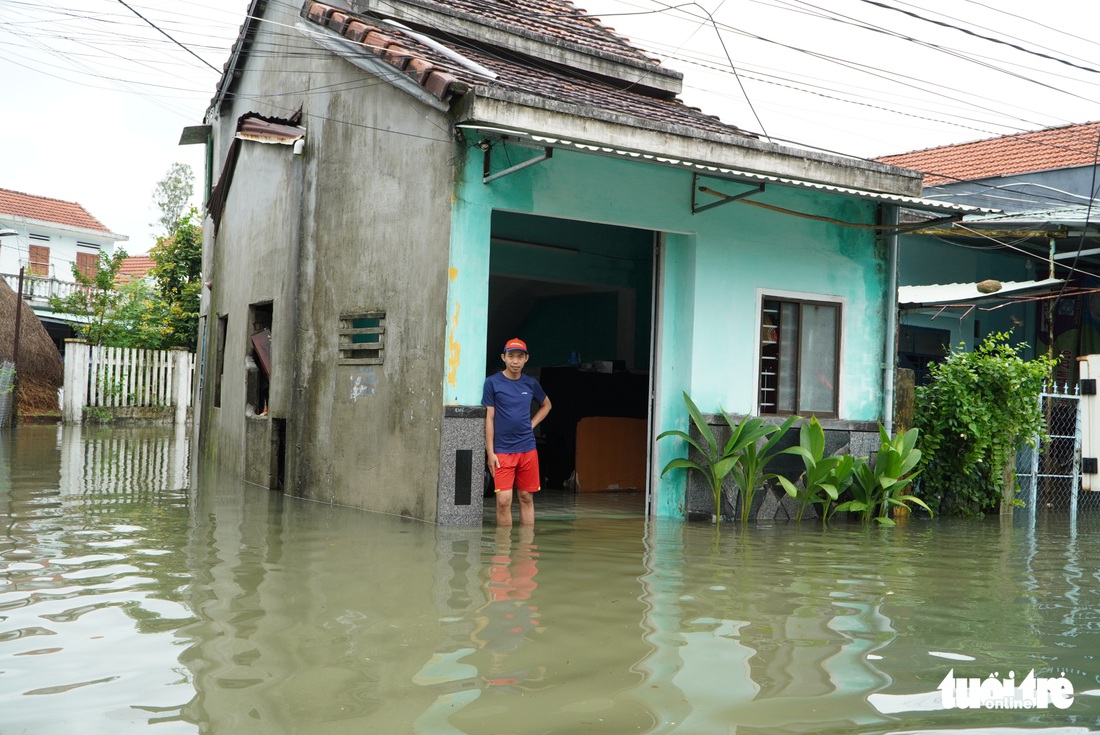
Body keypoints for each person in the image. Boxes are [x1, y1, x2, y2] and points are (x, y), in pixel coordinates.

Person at [482, 338, 551, 526]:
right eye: (511, 356)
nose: (515, 361)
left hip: (527, 448)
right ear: (503, 357)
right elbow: (489, 418)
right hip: (502, 450)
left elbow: (546, 405)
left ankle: (526, 551)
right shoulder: (492, 383)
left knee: (526, 497)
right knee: (503, 501)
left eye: (520, 356)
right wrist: (490, 453)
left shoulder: (530, 384)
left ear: (526, 359)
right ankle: (503, 550)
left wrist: (532, 423)